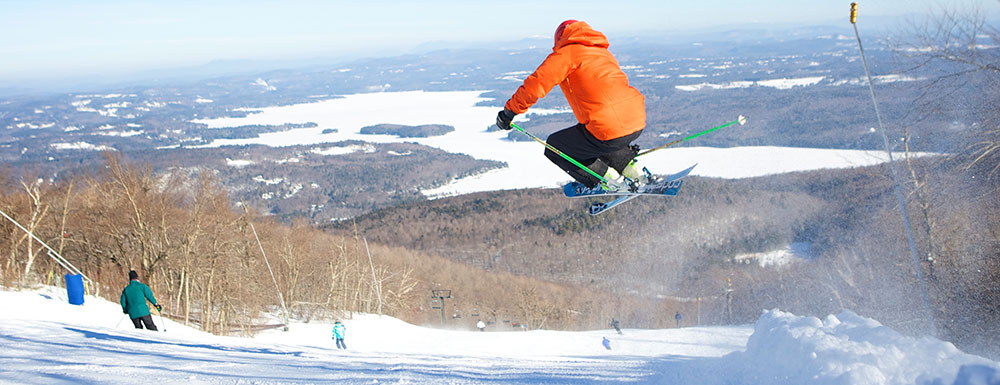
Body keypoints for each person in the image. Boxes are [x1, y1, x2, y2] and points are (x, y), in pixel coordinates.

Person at [496, 20, 648, 192]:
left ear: (559, 39)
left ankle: (608, 180)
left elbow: (536, 84)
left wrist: (509, 112)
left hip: (608, 126)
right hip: (636, 120)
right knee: (593, 137)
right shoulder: (602, 52)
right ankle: (635, 172)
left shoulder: (567, 54)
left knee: (556, 147)